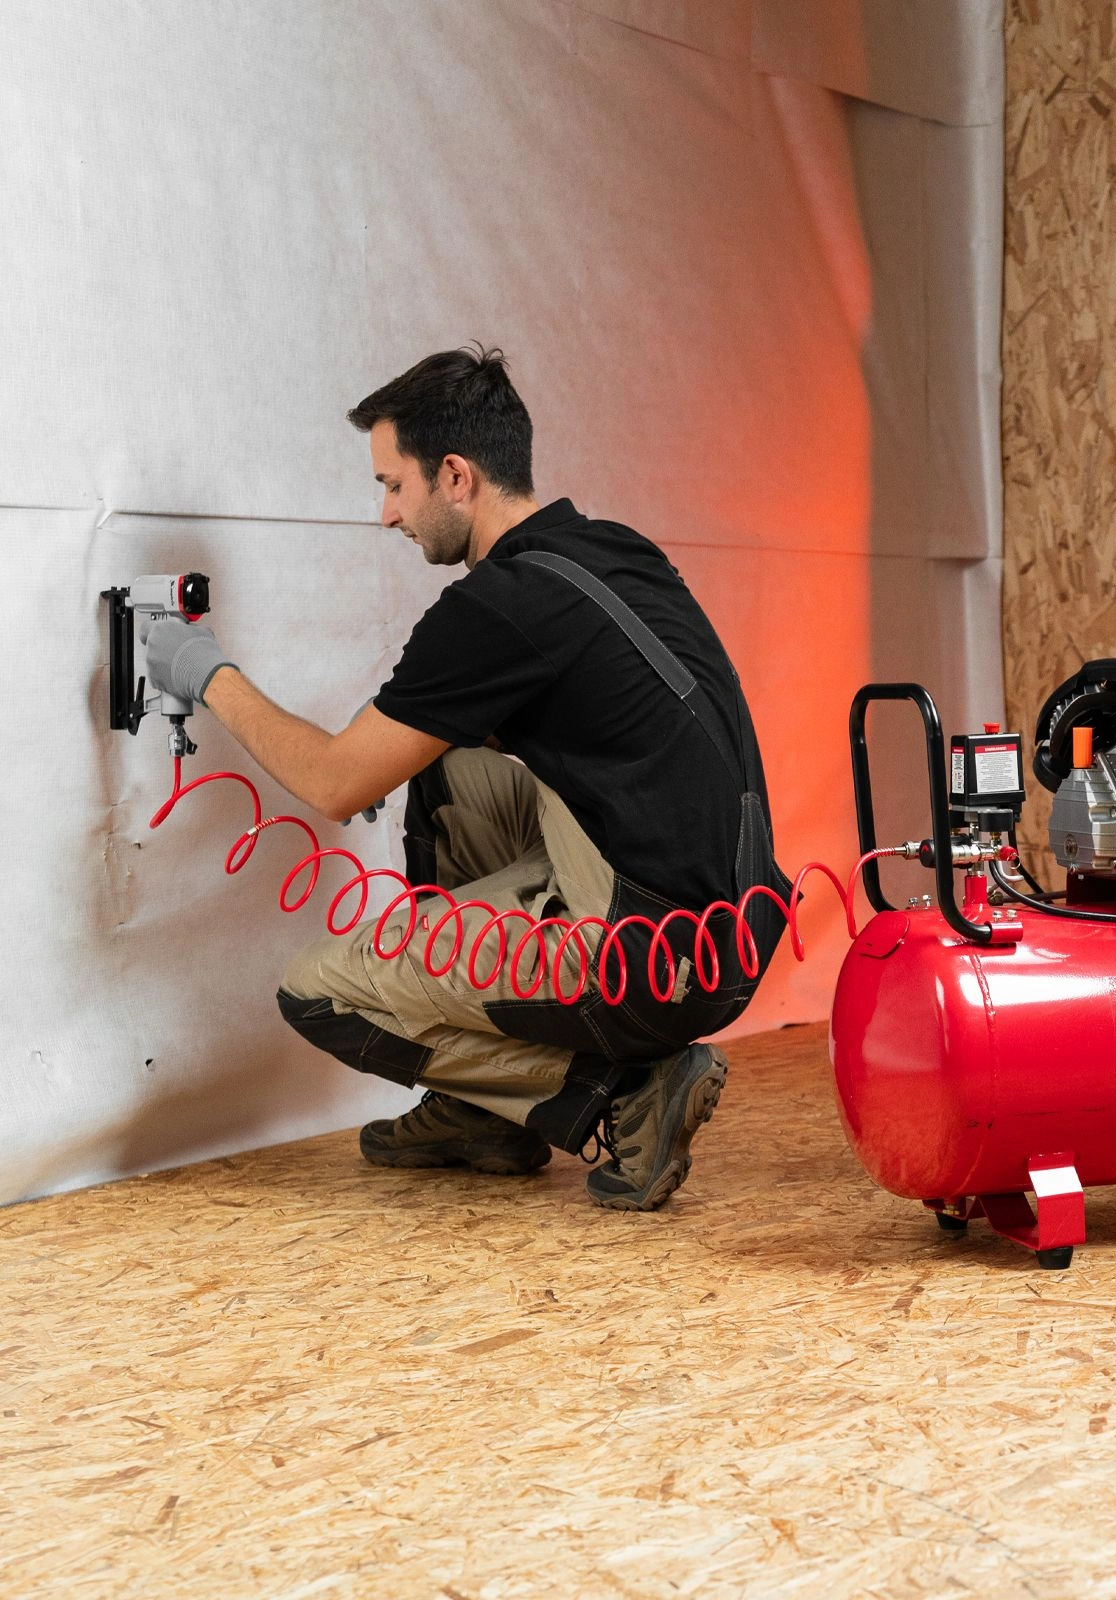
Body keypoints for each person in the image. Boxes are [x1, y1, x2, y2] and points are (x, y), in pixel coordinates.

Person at [142, 344, 790, 1210]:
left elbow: (333, 786)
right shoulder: (612, 551)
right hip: (733, 928)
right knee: (451, 764)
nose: (386, 515)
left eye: (393, 484)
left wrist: (206, 672)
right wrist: (385, 748)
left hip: (655, 960)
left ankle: (622, 1092)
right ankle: (482, 1115)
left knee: (319, 994)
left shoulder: (497, 608)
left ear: (455, 476)